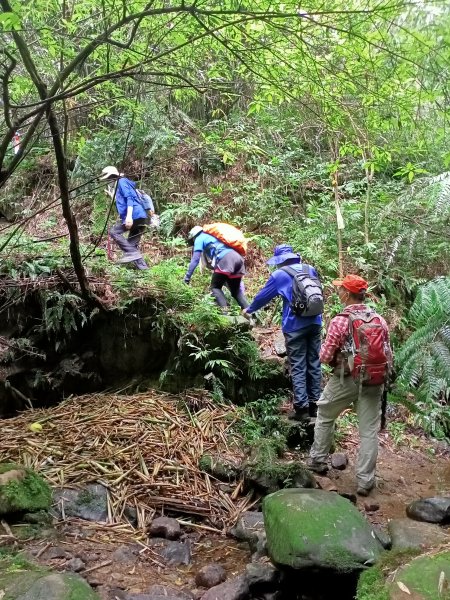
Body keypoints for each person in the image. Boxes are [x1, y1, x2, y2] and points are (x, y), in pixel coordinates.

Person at [308, 274, 392, 497]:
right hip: (374, 380)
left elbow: (325, 357)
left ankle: (317, 461)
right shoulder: (379, 319)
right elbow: (388, 353)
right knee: (369, 431)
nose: (338, 292)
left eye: (341, 289)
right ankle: (365, 482)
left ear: (347, 294)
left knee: (325, 413)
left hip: (346, 379)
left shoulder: (341, 320)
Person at [243, 244, 322, 421]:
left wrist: (249, 309)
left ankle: (301, 409)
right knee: (314, 363)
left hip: (295, 326)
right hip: (315, 322)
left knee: (298, 365)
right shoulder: (310, 269)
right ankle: (315, 406)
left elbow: (263, 297)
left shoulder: (280, 275)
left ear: (279, 260)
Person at [184, 226, 249, 311]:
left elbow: (195, 259)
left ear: (193, 236)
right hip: (238, 259)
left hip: (226, 259)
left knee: (215, 287)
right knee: (236, 291)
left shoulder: (199, 238)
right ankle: (252, 314)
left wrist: (187, 278)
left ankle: (225, 313)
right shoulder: (213, 238)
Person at [99, 166, 149, 270]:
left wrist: (129, 217)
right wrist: (112, 196)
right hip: (141, 217)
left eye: (108, 179)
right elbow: (122, 201)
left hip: (135, 215)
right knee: (131, 246)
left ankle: (132, 254)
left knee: (114, 232)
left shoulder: (121, 181)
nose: (108, 182)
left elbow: (129, 198)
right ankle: (144, 270)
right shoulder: (119, 185)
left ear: (112, 177)